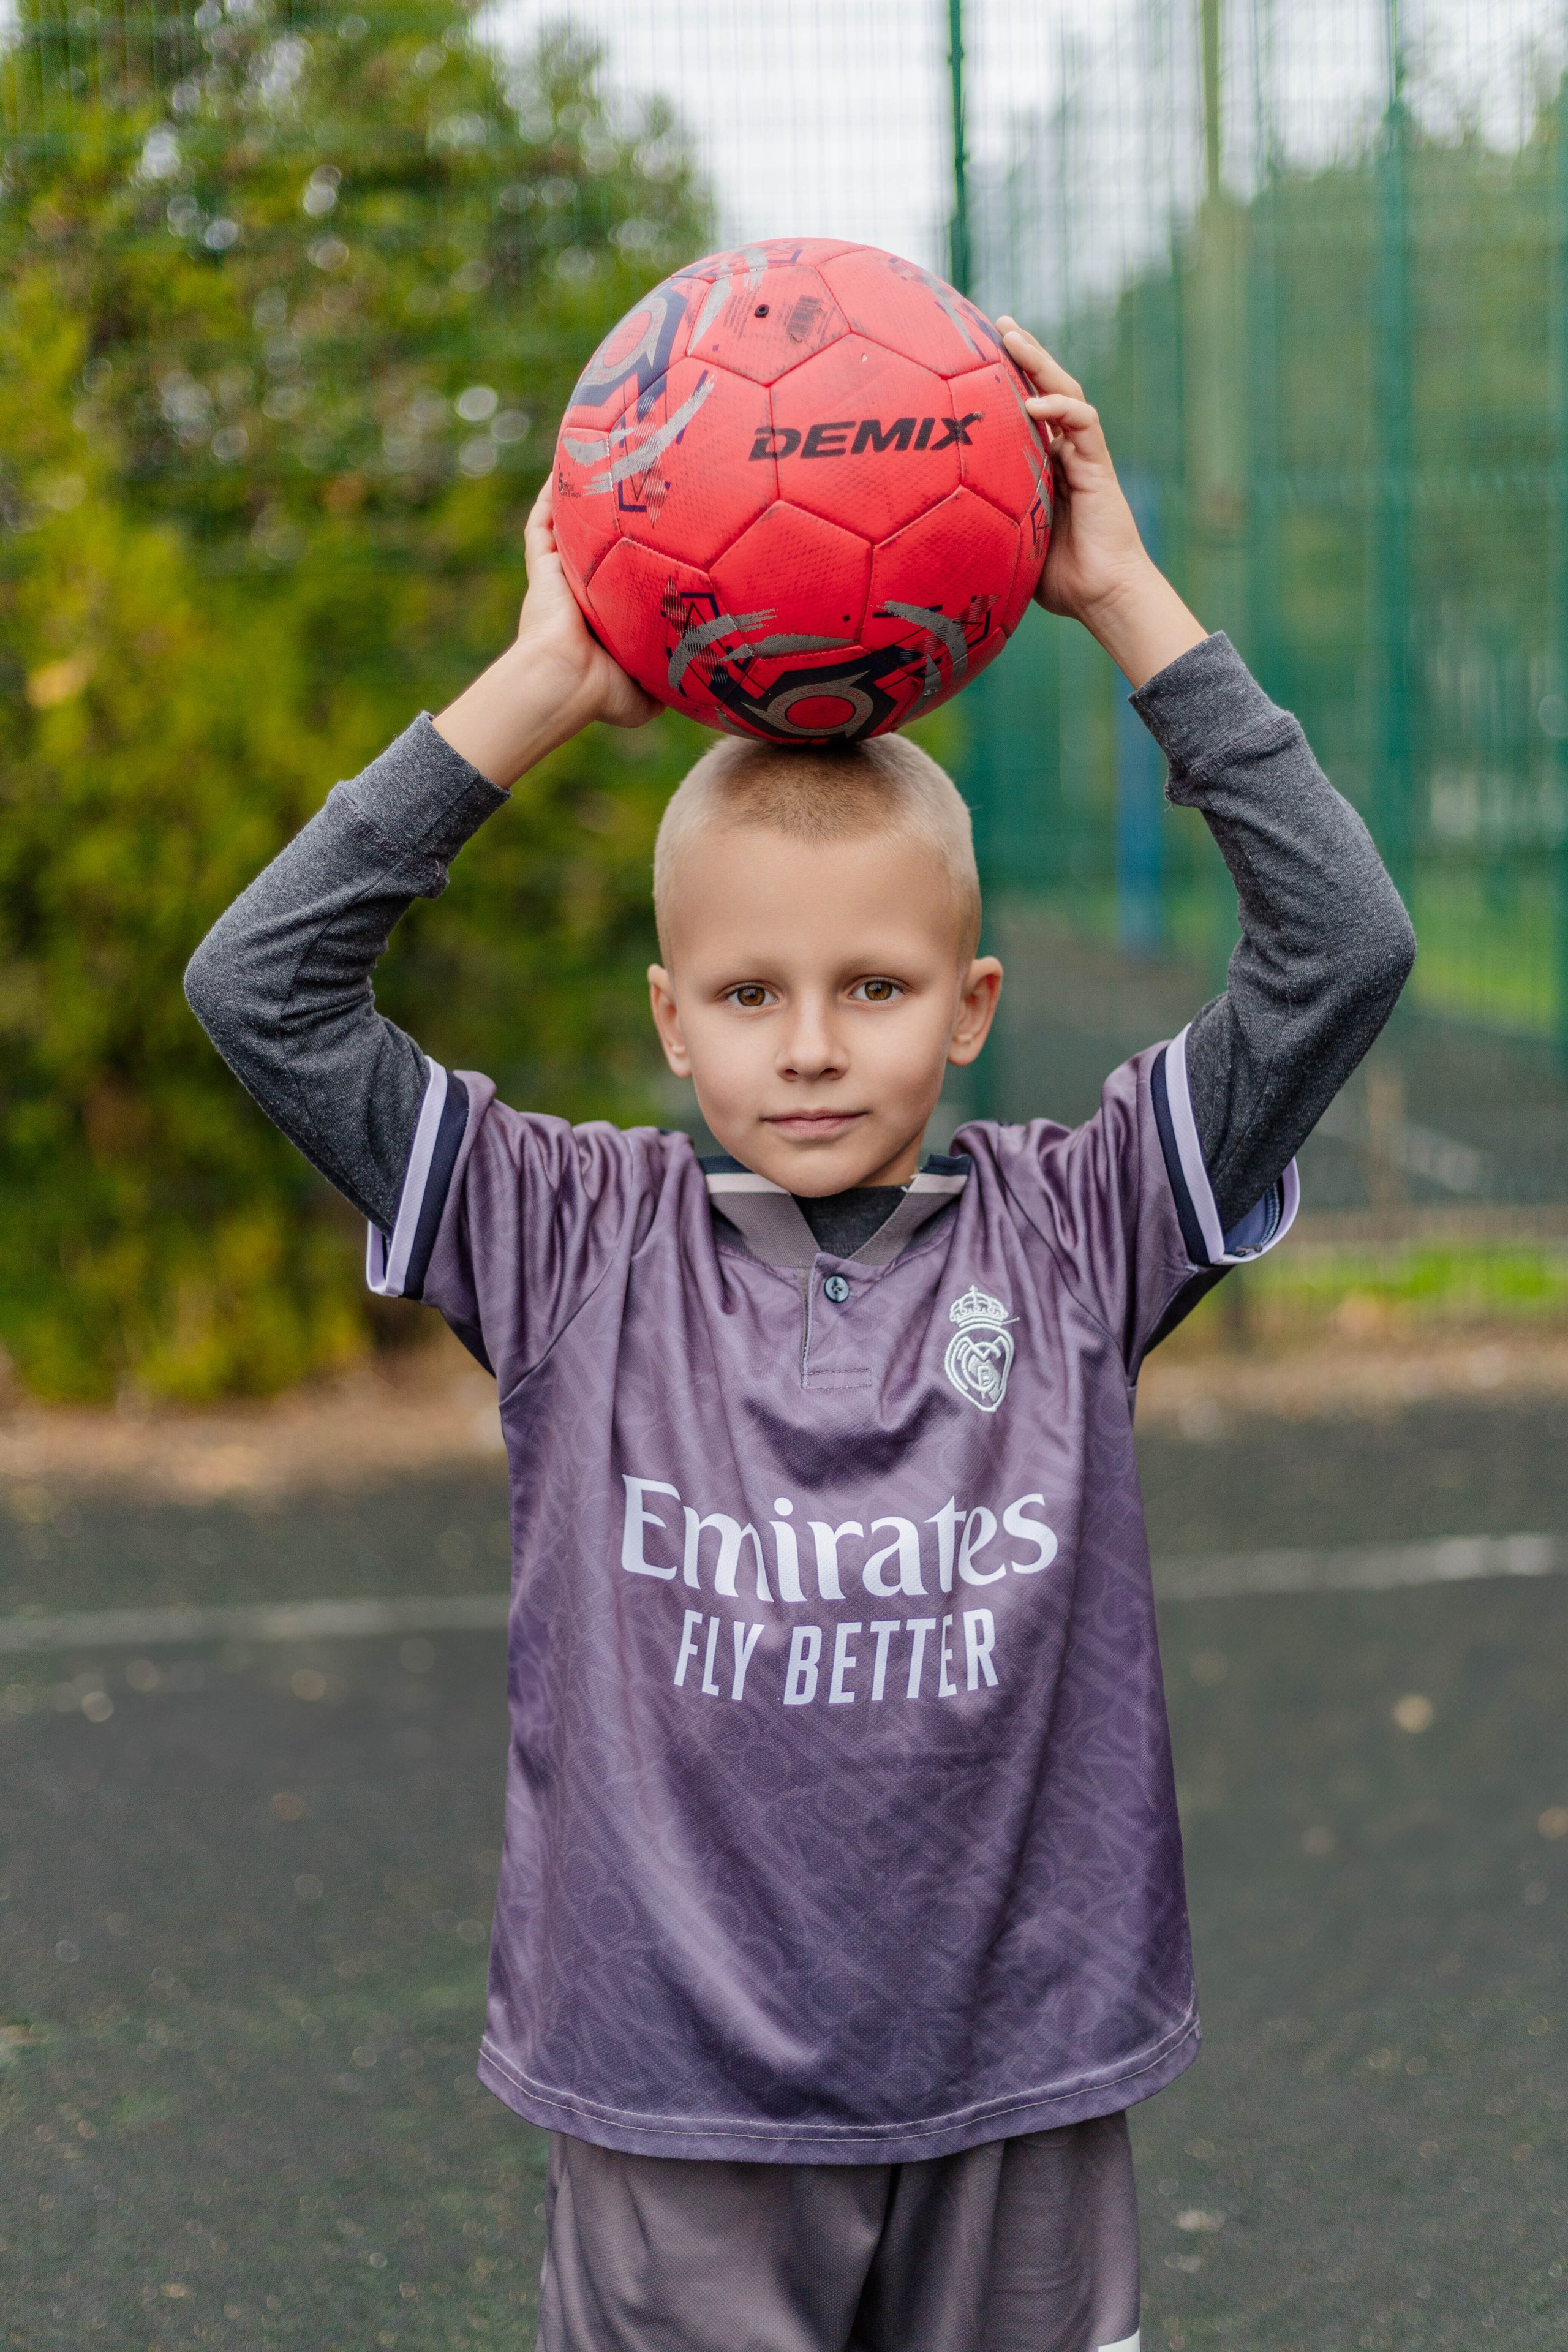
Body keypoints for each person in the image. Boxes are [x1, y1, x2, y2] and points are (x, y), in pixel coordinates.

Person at [185, 320, 1414, 2352]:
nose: (817, 1043)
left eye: (873, 986)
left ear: (976, 1004)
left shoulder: (1084, 1219)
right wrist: (547, 686)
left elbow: (1341, 947)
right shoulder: (568, 1234)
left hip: (1017, 2079)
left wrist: (1119, 594)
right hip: (674, 2095)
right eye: (749, 996)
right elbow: (264, 992)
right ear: (671, 1021)